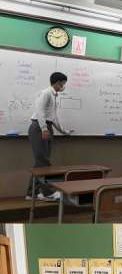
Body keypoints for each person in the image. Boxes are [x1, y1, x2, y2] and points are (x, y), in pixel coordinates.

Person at [26, 72, 72, 201]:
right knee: (44, 162)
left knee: (41, 162)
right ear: (58, 82)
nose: (63, 86)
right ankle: (48, 193)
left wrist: (64, 131)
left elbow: (54, 117)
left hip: (47, 127)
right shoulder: (46, 93)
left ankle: (32, 193)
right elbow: (39, 111)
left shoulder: (54, 96)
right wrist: (44, 128)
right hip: (39, 128)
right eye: (63, 83)